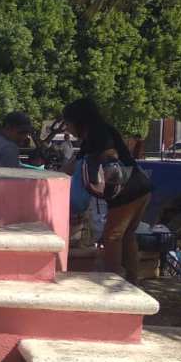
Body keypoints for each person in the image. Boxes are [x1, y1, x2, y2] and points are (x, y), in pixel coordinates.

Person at [60, 97, 155, 285]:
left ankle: (111, 280)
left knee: (113, 235)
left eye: (68, 123)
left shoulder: (98, 132)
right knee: (126, 236)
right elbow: (74, 163)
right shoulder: (93, 134)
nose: (67, 129)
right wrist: (54, 176)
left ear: (79, 120)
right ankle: (131, 280)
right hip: (140, 187)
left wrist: (94, 162)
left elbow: (111, 155)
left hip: (129, 190)